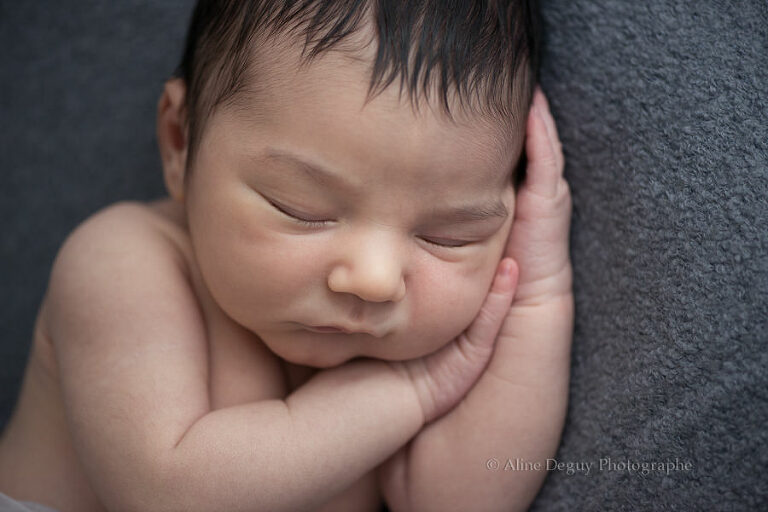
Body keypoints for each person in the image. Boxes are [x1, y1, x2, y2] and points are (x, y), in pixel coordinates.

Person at [0, 1, 573, 510]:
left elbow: (459, 499)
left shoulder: (394, 340)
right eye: (301, 209)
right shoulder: (123, 261)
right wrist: (412, 393)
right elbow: (166, 492)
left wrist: (539, 288)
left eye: (449, 236)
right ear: (180, 140)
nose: (375, 280)